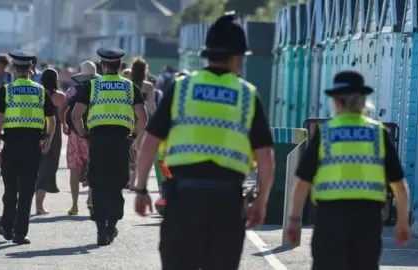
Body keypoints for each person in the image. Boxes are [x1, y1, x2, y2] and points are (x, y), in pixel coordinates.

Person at [134, 12, 275, 269]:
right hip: (227, 202)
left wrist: (141, 188)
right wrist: (262, 201)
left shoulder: (181, 88)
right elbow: (265, 156)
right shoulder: (247, 95)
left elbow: (150, 141)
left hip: (183, 200)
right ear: (236, 57)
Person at [286, 71, 411, 270]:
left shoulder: (325, 133)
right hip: (367, 220)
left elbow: (302, 181)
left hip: (330, 219)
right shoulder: (378, 133)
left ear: (336, 101)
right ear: (363, 101)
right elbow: (399, 185)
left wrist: (293, 219)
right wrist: (403, 222)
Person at [72, 48, 147, 246]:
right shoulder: (131, 87)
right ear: (120, 66)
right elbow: (143, 117)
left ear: (103, 66)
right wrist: (134, 137)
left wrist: (84, 135)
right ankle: (111, 225)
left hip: (97, 139)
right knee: (115, 184)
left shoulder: (91, 86)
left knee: (97, 183)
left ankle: (100, 229)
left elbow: (75, 115)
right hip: (121, 139)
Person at [0, 51, 56, 245]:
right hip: (32, 147)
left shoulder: (6, 90)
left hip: (11, 146)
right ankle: (20, 233)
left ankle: (7, 226)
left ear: (14, 68)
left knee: (10, 188)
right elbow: (52, 120)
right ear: (31, 69)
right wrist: (48, 139)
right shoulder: (40, 91)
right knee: (28, 189)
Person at [59, 60, 99, 215]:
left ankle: (75, 205)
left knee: (74, 170)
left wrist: (64, 125)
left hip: (75, 134)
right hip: (93, 133)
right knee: (94, 168)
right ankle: (90, 198)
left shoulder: (73, 90)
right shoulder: (98, 89)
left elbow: (62, 109)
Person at [35, 69, 65, 215]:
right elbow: (63, 117)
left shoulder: (37, 94)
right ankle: (39, 206)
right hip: (54, 135)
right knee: (47, 169)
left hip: (37, 131)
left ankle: (35, 203)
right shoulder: (60, 97)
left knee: (37, 167)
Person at [126, 59, 155, 189]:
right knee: (137, 149)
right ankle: (132, 182)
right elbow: (151, 106)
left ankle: (125, 178)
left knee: (126, 148)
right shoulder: (148, 86)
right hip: (141, 118)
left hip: (127, 118)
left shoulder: (128, 84)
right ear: (145, 70)